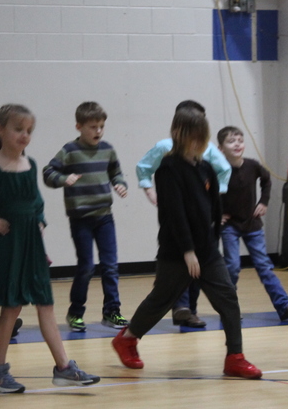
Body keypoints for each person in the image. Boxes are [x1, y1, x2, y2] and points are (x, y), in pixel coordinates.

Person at [0, 104, 100, 394]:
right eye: (18, 129)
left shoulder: (30, 165)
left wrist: (39, 223)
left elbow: (36, 203)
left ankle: (64, 368)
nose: (24, 135)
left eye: (29, 130)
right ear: (0, 130)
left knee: (46, 303)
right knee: (11, 308)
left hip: (31, 244)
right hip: (8, 246)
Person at [112, 107, 262, 379]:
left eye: (200, 136)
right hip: (177, 252)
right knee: (161, 300)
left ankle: (235, 357)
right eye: (191, 136)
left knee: (228, 298)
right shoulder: (168, 169)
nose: (196, 141)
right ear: (178, 134)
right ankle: (127, 339)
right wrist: (188, 251)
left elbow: (215, 207)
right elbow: (174, 214)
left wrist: (211, 240)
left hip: (207, 251)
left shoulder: (205, 168)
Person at [135, 100, 232, 328]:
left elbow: (224, 170)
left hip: (201, 230)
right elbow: (144, 168)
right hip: (176, 230)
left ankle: (190, 310)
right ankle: (178, 308)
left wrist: (211, 201)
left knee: (203, 276)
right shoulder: (166, 154)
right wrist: (148, 189)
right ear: (178, 127)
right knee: (167, 287)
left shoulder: (206, 154)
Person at [42, 101, 129, 333]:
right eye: (93, 127)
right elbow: (48, 172)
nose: (98, 131)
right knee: (87, 266)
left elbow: (116, 172)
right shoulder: (70, 151)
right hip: (80, 219)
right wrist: (64, 179)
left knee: (110, 266)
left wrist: (120, 184)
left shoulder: (107, 149)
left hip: (104, 217)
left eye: (101, 126)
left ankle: (112, 311)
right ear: (79, 127)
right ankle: (75, 312)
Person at [217, 125, 288, 321]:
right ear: (220, 148)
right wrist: (217, 215)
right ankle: (229, 309)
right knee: (232, 267)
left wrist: (263, 201)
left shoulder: (252, 165)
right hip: (230, 226)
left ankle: (284, 305)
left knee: (264, 265)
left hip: (252, 224)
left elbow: (266, 180)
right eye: (231, 141)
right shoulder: (217, 170)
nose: (237, 144)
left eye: (240, 140)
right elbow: (207, 193)